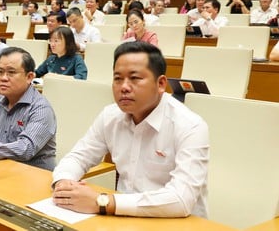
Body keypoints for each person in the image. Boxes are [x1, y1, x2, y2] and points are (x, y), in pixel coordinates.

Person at [52, 41, 209, 218]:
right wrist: (64, 181)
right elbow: (79, 157)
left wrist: (103, 202)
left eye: (135, 78)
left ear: (161, 84)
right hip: (122, 217)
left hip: (175, 222)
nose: (124, 87)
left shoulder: (190, 126)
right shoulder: (110, 116)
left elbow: (181, 199)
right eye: (118, 79)